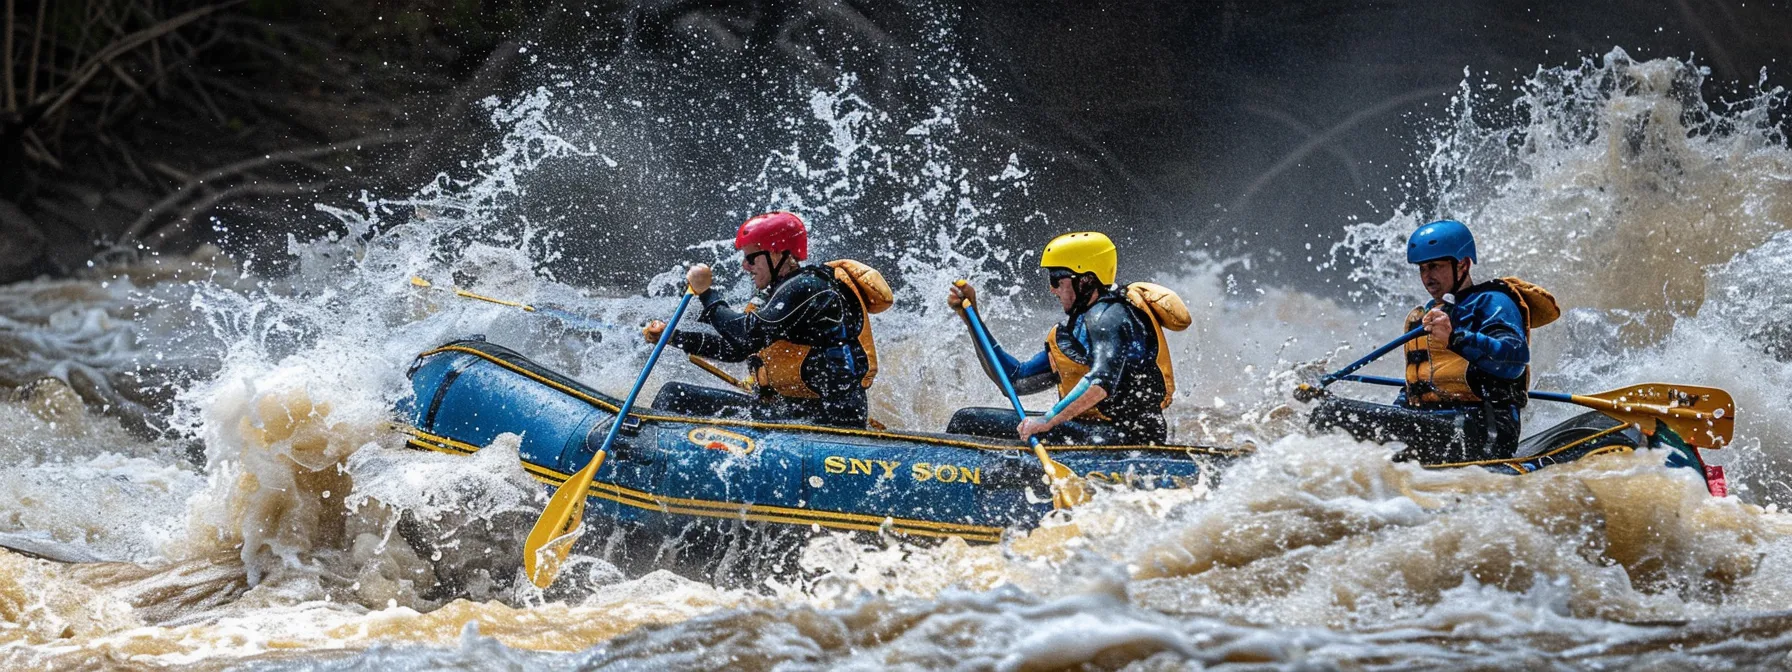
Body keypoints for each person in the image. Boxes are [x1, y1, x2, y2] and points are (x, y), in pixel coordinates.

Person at [1308, 219, 1558, 463]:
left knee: (1331, 413)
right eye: (1422, 269)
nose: (1427, 277)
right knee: (1325, 413)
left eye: (1435, 266)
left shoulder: (1492, 302)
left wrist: (1456, 338)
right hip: (1438, 425)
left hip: (1483, 430)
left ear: (1463, 265)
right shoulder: (1432, 313)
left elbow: (1514, 357)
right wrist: (1399, 412)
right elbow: (1420, 384)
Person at [644, 211, 891, 428]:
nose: (745, 266)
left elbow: (745, 335)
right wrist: (673, 337)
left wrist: (707, 294)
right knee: (675, 393)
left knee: (674, 395)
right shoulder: (779, 293)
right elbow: (736, 349)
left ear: (776, 253)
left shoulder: (809, 287)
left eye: (751, 258)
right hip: (794, 412)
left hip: (827, 420)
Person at [946, 232, 1189, 445]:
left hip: (1124, 439)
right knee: (974, 420)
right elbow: (1015, 381)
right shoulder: (1078, 328)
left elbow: (1100, 382)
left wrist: (1046, 421)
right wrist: (971, 318)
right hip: (1101, 433)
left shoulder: (1108, 317)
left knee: (966, 421)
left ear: (1085, 281)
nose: (1052, 289)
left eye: (1056, 280)